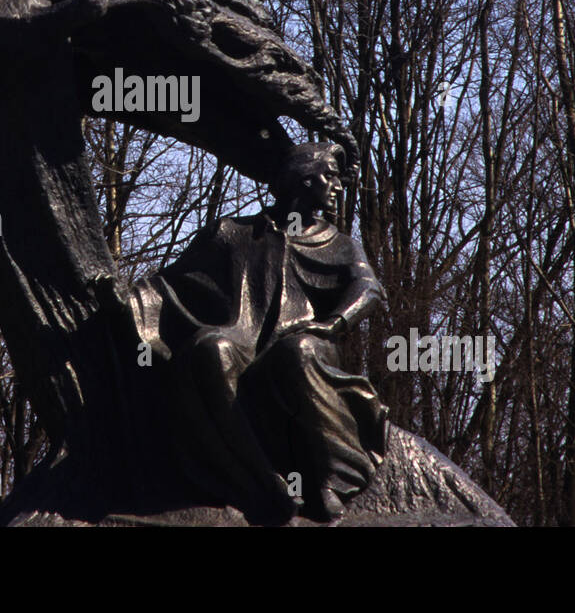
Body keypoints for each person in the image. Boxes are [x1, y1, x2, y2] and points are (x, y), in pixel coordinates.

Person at [141, 141, 389, 522]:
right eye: (331, 177)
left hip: (306, 345)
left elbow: (368, 288)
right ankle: (259, 479)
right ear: (303, 179)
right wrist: (126, 303)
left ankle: (329, 480)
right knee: (213, 349)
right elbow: (169, 285)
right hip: (247, 342)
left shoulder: (339, 245)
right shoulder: (233, 233)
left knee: (298, 351)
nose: (338, 187)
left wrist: (332, 324)